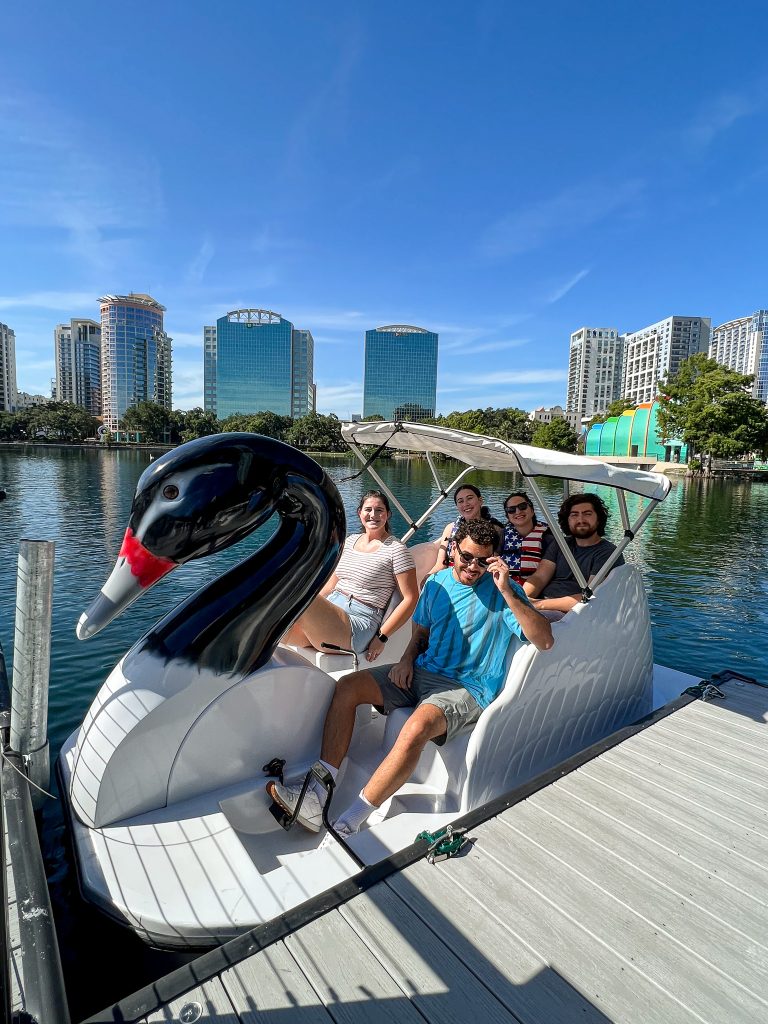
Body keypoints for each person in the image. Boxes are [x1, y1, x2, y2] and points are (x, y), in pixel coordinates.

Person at [269, 519, 553, 837]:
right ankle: (318, 794)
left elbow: (544, 640)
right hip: (422, 671)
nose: (473, 567)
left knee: (414, 727)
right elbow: (421, 630)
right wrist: (405, 660)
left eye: (482, 561)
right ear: (454, 549)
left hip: (467, 687)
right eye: (467, 557)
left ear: (493, 560)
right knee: (348, 687)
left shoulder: (506, 593)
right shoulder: (436, 584)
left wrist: (507, 591)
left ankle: (350, 821)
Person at [282, 490, 418, 663]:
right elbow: (331, 586)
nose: (373, 515)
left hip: (358, 623)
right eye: (368, 509)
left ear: (388, 514)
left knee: (297, 590)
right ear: (359, 513)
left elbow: (411, 598)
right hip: (331, 615)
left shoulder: (395, 550)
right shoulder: (350, 542)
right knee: (273, 624)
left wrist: (382, 637)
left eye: (379, 510)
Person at [523, 493, 624, 617]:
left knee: (526, 620)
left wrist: (538, 604)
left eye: (587, 514)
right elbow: (539, 577)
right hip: (542, 604)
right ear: (568, 520)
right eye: (574, 515)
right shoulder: (561, 544)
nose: (580, 520)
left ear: (598, 519)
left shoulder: (608, 552)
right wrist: (522, 598)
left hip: (574, 614)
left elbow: (590, 597)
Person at [424, 483, 503, 578]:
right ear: (457, 506)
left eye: (469, 498)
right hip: (450, 577)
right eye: (460, 501)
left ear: (480, 500)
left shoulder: (495, 530)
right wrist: (427, 578)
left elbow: (492, 565)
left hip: (478, 578)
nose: (465, 504)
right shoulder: (450, 528)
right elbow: (440, 564)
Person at [499, 490, 552, 586]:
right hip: (506, 586)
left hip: (536, 588)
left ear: (532, 510)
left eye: (522, 506)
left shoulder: (547, 537)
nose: (518, 512)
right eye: (511, 510)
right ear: (508, 517)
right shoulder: (502, 536)